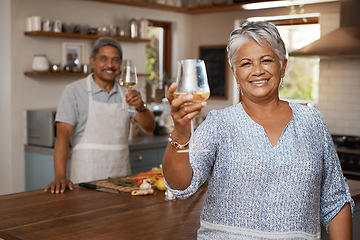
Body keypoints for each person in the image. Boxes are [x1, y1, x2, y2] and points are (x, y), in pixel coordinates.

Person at [162, 21, 354, 239]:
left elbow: (336, 200)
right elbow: (180, 185)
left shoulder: (312, 122)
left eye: (266, 60)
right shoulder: (219, 123)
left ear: (283, 66)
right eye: (246, 63)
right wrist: (180, 131)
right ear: (235, 72)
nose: (257, 71)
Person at [44, 37, 156, 194]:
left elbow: (150, 127)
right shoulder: (74, 91)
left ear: (120, 64)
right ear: (92, 61)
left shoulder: (127, 93)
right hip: (86, 178)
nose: (110, 65)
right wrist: (60, 176)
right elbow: (62, 136)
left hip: (121, 179)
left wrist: (141, 107)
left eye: (115, 60)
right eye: (104, 59)